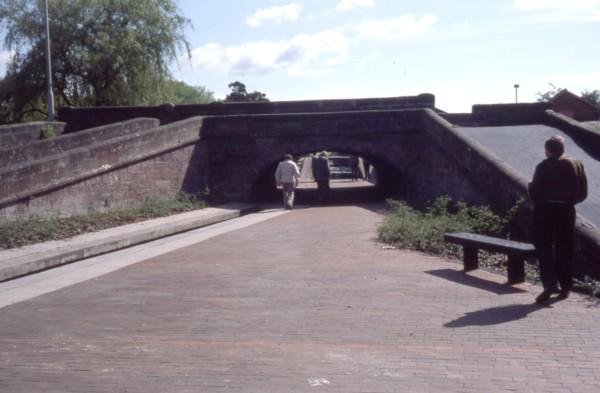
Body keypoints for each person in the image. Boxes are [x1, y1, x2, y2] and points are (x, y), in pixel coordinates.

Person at [528, 135, 587, 305]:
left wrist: (531, 187)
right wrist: (569, 202)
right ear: (562, 149)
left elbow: (535, 192)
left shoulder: (543, 166)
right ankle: (566, 287)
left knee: (543, 246)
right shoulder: (577, 164)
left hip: (545, 209)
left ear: (547, 150)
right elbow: (583, 192)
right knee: (565, 247)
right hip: (567, 210)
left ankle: (550, 283)